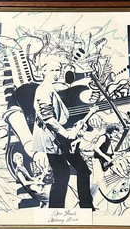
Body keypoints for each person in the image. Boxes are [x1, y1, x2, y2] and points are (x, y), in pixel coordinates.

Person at [32, 58, 95, 210]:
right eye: (52, 70)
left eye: (58, 70)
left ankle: (83, 206)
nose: (56, 73)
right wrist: (66, 134)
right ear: (43, 71)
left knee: (73, 173)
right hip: (54, 140)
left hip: (58, 138)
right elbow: (48, 118)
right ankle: (60, 209)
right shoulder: (44, 90)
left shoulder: (49, 88)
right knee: (63, 176)